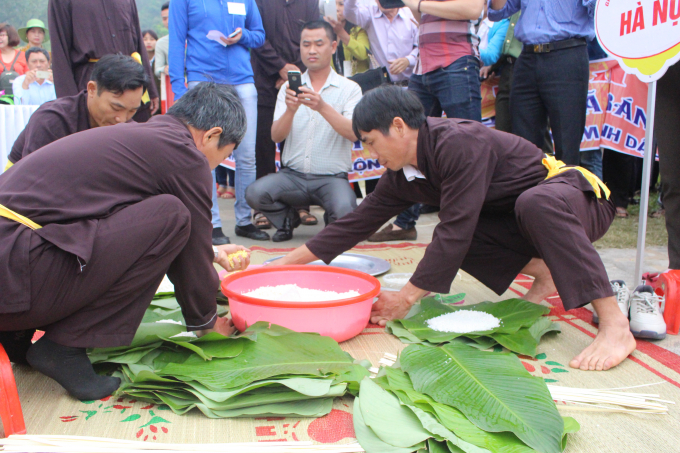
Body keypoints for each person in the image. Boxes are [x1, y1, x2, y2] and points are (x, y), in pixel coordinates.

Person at [275, 85, 636, 371]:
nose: (369, 153)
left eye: (370, 141)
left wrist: (407, 298)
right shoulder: (402, 174)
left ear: (398, 126)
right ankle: (545, 273)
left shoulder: (459, 142)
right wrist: (277, 270)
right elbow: (353, 224)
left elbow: (456, 226)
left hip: (578, 202)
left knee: (505, 213)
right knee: (459, 238)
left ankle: (614, 324)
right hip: (526, 221)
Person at [0, 82, 249, 401]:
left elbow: (122, 226)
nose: (212, 167)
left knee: (165, 218)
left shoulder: (141, 138)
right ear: (211, 135)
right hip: (14, 275)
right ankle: (64, 346)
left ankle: (15, 334)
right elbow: (188, 249)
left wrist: (211, 252)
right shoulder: (185, 154)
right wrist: (206, 323)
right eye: (222, 156)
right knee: (171, 216)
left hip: (13, 269)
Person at [246, 20, 362, 242]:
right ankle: (287, 219)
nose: (311, 50)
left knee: (345, 210)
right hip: (293, 177)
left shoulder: (350, 89)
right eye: (306, 44)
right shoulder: (288, 89)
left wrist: (322, 107)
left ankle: (333, 221)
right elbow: (275, 136)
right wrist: (290, 110)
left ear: (334, 46)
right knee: (255, 193)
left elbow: (353, 133)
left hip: (332, 178)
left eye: (319, 44)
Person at [169, 0, 268, 244]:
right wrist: (178, 88)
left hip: (242, 79)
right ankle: (211, 223)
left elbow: (259, 36)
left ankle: (245, 220)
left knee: (246, 156)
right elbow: (176, 39)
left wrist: (242, 35)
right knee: (204, 156)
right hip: (202, 78)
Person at [488, 0, 602, 179]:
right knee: (523, 144)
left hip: (566, 52)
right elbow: (498, 11)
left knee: (567, 142)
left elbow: (599, 10)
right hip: (526, 57)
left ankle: (565, 201)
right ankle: (529, 201)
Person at [5, 55, 146, 170]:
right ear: (92, 89)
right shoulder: (52, 120)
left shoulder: (128, 128)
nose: (121, 119)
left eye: (132, 111)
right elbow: (32, 179)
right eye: (115, 108)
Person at [251, 0, 320, 230]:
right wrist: (280, 66)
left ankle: (301, 204)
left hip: (298, 82)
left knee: (297, 142)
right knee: (264, 145)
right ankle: (263, 207)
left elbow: (313, 36)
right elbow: (257, 36)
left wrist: (295, 72)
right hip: (264, 81)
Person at [48, 0, 159, 122]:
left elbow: (138, 40)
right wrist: (68, 103)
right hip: (90, 80)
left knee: (134, 135)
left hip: (131, 79)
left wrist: (151, 89)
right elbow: (60, 50)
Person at [344, 0, 419, 84]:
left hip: (409, 85)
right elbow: (349, 12)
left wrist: (408, 60)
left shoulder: (410, 15)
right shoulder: (370, 14)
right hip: (380, 86)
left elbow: (421, 47)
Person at [324, 0, 370, 77]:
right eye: (333, 5)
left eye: (341, 4)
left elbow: (363, 54)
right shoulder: (327, 31)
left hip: (358, 81)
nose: (336, 8)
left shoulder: (358, 29)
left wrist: (341, 33)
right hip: (336, 82)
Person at [0, 23, 28, 92]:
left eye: (2, 35)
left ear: (10, 36)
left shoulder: (23, 56)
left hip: (20, 95)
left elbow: (28, 76)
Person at [142, 29, 160, 114]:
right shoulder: (138, 60)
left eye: (152, 39)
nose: (148, 42)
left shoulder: (160, 61)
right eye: (145, 39)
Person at [154, 2, 171, 82]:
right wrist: (164, 69)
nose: (167, 21)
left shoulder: (193, 39)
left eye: (170, 17)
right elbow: (157, 69)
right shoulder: (161, 43)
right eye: (164, 19)